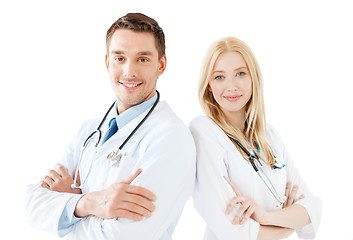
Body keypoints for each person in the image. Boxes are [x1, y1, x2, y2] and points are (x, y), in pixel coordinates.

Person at [25, 13, 196, 240]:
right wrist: (91, 202)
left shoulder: (171, 138)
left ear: (161, 64)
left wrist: (67, 207)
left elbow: (122, 235)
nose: (129, 72)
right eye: (120, 58)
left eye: (142, 59)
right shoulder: (88, 132)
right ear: (107, 61)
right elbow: (32, 206)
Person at [189, 37, 322, 239]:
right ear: (208, 85)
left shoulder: (270, 136)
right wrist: (285, 226)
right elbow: (227, 223)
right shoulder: (204, 131)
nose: (231, 86)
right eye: (219, 77)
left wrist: (265, 216)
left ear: (253, 78)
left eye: (240, 74)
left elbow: (311, 208)